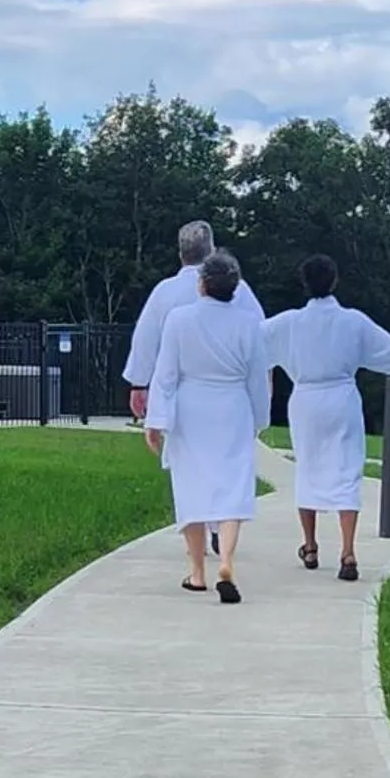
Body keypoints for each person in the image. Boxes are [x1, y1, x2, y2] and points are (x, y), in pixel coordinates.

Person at [264, 255, 390, 582]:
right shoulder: (352, 321)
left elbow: (245, 344)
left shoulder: (288, 323)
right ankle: (347, 551)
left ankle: (311, 545)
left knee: (309, 468)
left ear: (304, 283)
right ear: (335, 281)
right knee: (346, 471)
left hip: (306, 401)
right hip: (341, 398)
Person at [145, 250, 271, 604]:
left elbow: (165, 374)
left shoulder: (179, 319)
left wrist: (155, 420)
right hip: (232, 407)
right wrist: (259, 418)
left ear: (202, 284)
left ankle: (198, 572)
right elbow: (257, 379)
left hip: (190, 409)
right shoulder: (248, 323)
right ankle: (227, 561)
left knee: (191, 489)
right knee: (232, 486)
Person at [122, 219, 263, 422]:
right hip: (230, 394)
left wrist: (139, 384)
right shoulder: (239, 290)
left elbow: (146, 339)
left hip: (181, 394)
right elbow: (261, 339)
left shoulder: (165, 292)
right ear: (212, 251)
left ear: (180, 255)